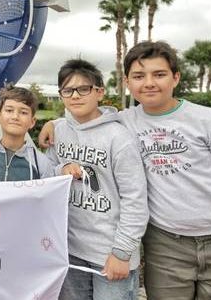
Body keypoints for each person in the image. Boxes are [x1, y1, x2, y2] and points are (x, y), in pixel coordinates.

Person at [39, 42, 211, 299]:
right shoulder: (125, 120)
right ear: (127, 81)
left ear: (175, 77)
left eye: (159, 74)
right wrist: (54, 122)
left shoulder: (210, 121)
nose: (149, 83)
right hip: (165, 245)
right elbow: (89, 119)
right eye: (139, 76)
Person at [45, 59, 147, 300]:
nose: (75, 96)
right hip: (70, 250)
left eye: (84, 89)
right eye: (67, 90)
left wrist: (122, 253)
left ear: (99, 92)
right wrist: (62, 168)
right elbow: (46, 174)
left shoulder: (119, 138)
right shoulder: (59, 131)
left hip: (110, 253)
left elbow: (135, 200)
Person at [0, 84, 51, 182]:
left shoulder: (41, 163)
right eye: (9, 110)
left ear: (32, 122)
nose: (15, 117)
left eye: (23, 112)